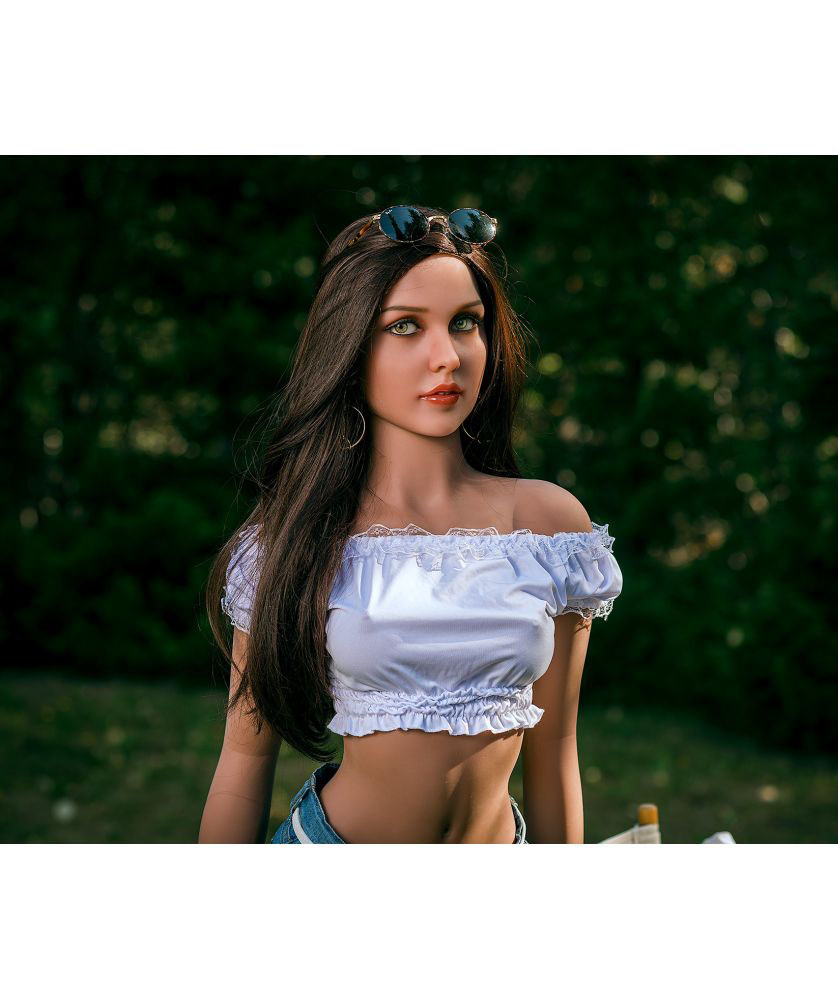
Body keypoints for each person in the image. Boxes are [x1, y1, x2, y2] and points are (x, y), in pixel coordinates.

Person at [198, 204, 623, 844]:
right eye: (404, 326)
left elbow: (557, 750)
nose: (446, 356)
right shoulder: (295, 537)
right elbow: (242, 763)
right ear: (349, 347)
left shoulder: (549, 530)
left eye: (465, 323)